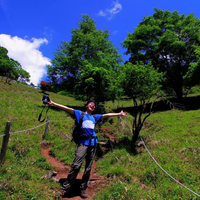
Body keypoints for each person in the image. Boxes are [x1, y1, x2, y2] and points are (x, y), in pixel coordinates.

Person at [48, 99, 127, 198]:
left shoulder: (95, 117)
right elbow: (67, 108)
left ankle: (83, 189)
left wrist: (119, 114)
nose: (93, 106)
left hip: (93, 144)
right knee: (76, 165)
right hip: (83, 144)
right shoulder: (79, 114)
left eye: (94, 105)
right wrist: (53, 103)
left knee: (88, 168)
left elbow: (106, 115)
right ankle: (65, 188)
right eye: (91, 104)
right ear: (86, 105)